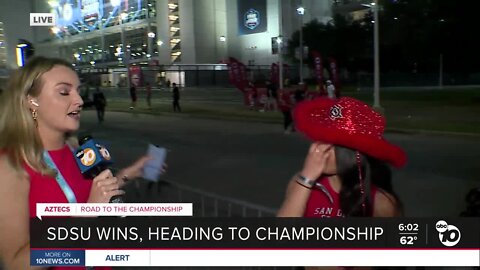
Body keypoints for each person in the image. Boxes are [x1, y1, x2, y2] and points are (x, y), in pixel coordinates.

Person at [0, 57, 152, 270]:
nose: (79, 100)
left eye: (78, 90)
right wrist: (85, 215)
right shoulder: (10, 165)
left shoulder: (75, 148)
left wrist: (128, 174)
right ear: (30, 101)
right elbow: (17, 264)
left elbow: (91, 195)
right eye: (64, 92)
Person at [278, 97, 407, 219]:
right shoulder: (301, 182)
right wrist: (307, 177)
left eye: (328, 144)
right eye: (319, 140)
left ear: (350, 154)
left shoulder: (381, 202)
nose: (316, 149)